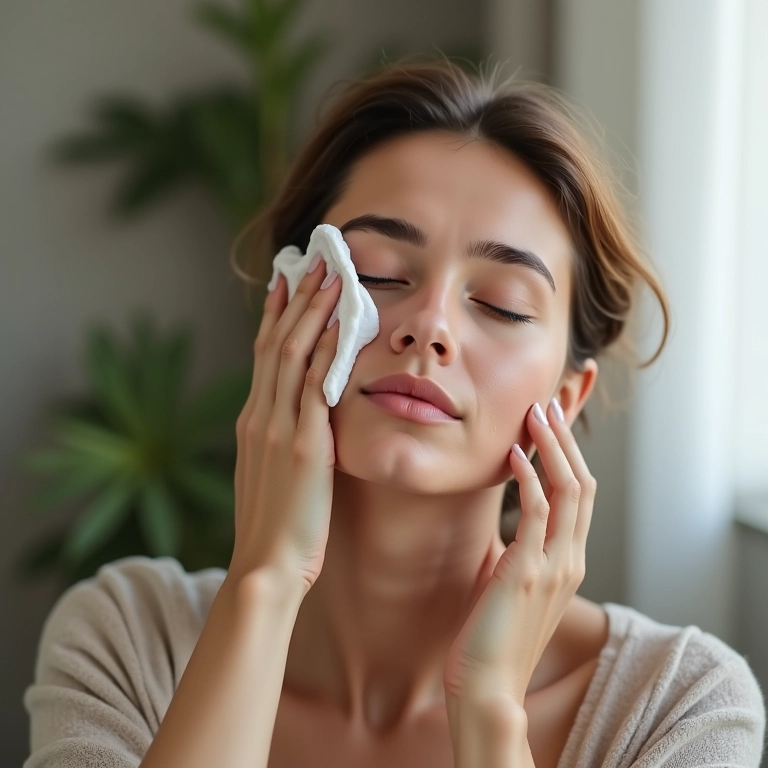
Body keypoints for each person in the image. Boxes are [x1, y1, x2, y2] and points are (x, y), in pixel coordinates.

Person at [23, 57, 765, 768]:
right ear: (288, 305)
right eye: (376, 272)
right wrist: (265, 583)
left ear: (565, 400)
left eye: (501, 305)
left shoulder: (679, 704)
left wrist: (490, 710)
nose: (430, 325)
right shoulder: (125, 639)